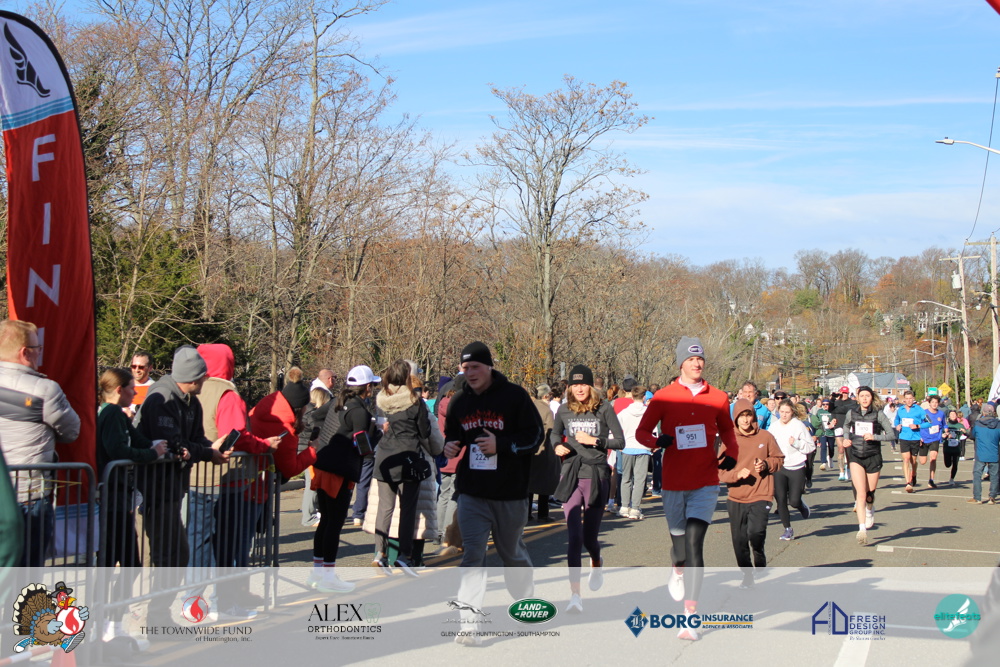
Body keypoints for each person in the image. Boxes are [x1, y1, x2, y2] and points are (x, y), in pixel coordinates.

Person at [635, 336, 739, 642]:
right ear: (681, 363)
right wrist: (657, 442)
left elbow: (728, 430)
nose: (697, 363)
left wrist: (732, 452)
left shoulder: (718, 397)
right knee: (680, 551)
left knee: (695, 545)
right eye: (691, 359)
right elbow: (642, 431)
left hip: (705, 482)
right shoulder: (664, 397)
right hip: (673, 483)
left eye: (700, 358)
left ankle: (690, 617)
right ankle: (677, 568)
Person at [443, 342, 543, 646]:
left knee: (511, 553)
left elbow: (535, 437)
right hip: (472, 491)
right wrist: (450, 446)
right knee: (473, 554)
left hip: (510, 492)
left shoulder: (514, 396)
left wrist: (502, 445)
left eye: (475, 367)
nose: (470, 373)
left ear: (489, 366)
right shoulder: (459, 401)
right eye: (465, 368)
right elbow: (453, 435)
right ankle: (469, 625)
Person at [133, 345, 228, 627]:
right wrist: (206, 452)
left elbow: (194, 441)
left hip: (173, 487)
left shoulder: (190, 402)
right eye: (203, 376)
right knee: (162, 556)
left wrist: (211, 448)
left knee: (177, 554)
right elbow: (174, 445)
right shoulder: (162, 398)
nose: (206, 380)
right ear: (193, 377)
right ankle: (148, 617)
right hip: (152, 489)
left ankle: (158, 614)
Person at [197, 343, 280, 620]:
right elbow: (237, 434)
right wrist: (264, 444)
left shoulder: (194, 390)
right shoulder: (227, 394)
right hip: (228, 478)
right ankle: (223, 604)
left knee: (202, 544)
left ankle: (195, 604)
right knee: (229, 546)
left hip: (196, 477)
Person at [0, 320, 82, 567]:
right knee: (27, 575)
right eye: (38, 348)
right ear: (25, 352)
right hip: (29, 497)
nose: (40, 353)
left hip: (8, 493)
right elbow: (72, 431)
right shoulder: (45, 390)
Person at [96, 368, 168, 640]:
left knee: (122, 563)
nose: (134, 392)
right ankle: (106, 623)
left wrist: (157, 446)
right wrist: (151, 453)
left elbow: (137, 440)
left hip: (118, 497)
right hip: (112, 498)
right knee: (123, 563)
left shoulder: (117, 414)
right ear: (119, 390)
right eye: (130, 387)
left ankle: (109, 623)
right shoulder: (111, 414)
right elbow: (118, 450)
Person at [551, 365, 624, 613]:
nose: (579, 389)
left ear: (591, 386)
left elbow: (620, 441)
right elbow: (554, 434)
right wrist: (556, 446)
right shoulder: (564, 410)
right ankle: (575, 595)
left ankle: (596, 560)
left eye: (583, 384)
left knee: (589, 538)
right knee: (574, 537)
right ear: (570, 387)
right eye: (575, 385)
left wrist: (596, 441)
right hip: (571, 473)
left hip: (596, 474)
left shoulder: (604, 408)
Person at [308, 365, 380, 593]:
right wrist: (379, 433)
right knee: (335, 523)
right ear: (367, 387)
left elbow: (314, 416)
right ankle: (328, 577)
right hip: (339, 469)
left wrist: (320, 438)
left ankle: (318, 572)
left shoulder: (337, 401)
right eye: (372, 385)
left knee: (326, 522)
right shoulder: (359, 411)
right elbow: (363, 445)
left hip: (323, 464)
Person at [370, 359, 434, 577]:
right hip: (408, 456)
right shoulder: (414, 401)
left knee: (385, 508)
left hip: (385, 456)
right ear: (407, 377)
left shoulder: (381, 399)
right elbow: (424, 432)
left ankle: (379, 553)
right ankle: (404, 556)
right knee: (408, 509)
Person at [721, 398, 783, 589]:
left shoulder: (765, 436)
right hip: (736, 496)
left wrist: (766, 464)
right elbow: (720, 471)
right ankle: (747, 575)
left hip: (761, 492)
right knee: (739, 540)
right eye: (741, 416)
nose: (745, 420)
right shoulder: (729, 440)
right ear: (735, 418)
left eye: (748, 415)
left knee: (756, 532)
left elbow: (779, 459)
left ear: (754, 417)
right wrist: (736, 474)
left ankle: (758, 550)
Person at [842, 386, 896, 545]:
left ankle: (870, 508)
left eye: (867, 396)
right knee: (860, 493)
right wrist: (846, 439)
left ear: (872, 398)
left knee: (869, 494)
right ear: (857, 398)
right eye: (862, 396)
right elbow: (846, 426)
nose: (865, 399)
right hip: (856, 455)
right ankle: (862, 530)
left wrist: (874, 437)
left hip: (873, 456)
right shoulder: (852, 413)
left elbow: (891, 435)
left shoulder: (878, 414)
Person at [767, 400, 815, 541]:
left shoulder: (798, 425)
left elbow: (811, 446)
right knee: (780, 499)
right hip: (779, 467)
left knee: (793, 501)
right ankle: (787, 529)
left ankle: (800, 505)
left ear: (792, 412)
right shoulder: (774, 427)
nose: (784, 415)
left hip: (796, 466)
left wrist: (797, 443)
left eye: (787, 412)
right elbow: (767, 445)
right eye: (782, 412)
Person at [618, 384, 651, 520]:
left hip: (627, 447)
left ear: (631, 396)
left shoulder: (624, 412)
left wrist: (619, 442)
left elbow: (615, 428)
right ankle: (635, 508)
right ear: (644, 397)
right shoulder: (648, 412)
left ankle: (624, 507)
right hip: (643, 447)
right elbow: (653, 430)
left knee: (626, 478)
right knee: (639, 480)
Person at [528, 384, 556, 522]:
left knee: (529, 483)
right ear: (546, 395)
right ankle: (543, 513)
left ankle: (527, 513)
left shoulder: (530, 407)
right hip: (544, 449)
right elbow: (551, 430)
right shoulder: (547, 411)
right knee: (545, 482)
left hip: (530, 449)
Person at [894, 390, 927, 493]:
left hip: (915, 438)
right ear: (904, 399)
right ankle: (908, 482)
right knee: (906, 459)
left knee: (913, 460)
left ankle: (914, 473)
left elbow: (929, 423)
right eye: (907, 399)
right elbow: (896, 420)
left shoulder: (919, 410)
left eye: (910, 399)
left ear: (913, 399)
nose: (908, 401)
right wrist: (897, 425)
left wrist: (917, 426)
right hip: (904, 437)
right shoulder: (900, 410)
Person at [967, 403, 1000, 504]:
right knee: (994, 475)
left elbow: (972, 436)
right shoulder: (998, 424)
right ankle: (992, 496)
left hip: (980, 453)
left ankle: (977, 497)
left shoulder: (978, 424)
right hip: (994, 453)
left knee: (977, 474)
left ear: (983, 413)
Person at [828, 386, 857, 482]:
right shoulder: (836, 403)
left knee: (848, 450)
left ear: (848, 393)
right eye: (843, 393)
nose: (844, 395)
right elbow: (831, 411)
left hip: (849, 427)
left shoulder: (852, 403)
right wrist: (832, 419)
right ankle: (841, 472)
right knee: (840, 449)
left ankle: (848, 469)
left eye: (846, 393)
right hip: (838, 426)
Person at [919, 395, 946, 488]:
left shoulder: (941, 414)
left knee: (933, 458)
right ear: (929, 403)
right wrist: (919, 437)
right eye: (933, 402)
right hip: (924, 438)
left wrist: (946, 431)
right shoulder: (924, 413)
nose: (934, 404)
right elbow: (918, 424)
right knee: (923, 461)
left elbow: (944, 425)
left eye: (936, 402)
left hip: (935, 438)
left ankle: (931, 480)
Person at [942, 410, 969, 486]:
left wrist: (964, 431)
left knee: (955, 464)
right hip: (947, 447)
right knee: (947, 464)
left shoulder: (960, 425)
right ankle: (949, 461)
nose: (953, 416)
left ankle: (952, 478)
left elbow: (967, 433)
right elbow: (941, 434)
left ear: (956, 415)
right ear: (949, 416)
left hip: (957, 447)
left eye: (954, 414)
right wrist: (944, 435)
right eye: (951, 414)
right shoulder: (946, 425)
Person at [812, 398, 836, 473]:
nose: (825, 406)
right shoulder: (819, 411)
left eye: (827, 404)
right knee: (823, 447)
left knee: (831, 448)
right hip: (822, 432)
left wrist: (833, 424)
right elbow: (816, 421)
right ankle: (823, 463)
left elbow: (836, 420)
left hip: (831, 432)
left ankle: (830, 457)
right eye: (824, 404)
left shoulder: (832, 411)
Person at [129, 351, 156, 416]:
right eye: (134, 366)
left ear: (150, 368)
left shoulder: (155, 389)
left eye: (141, 367)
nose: (137, 370)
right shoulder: (123, 385)